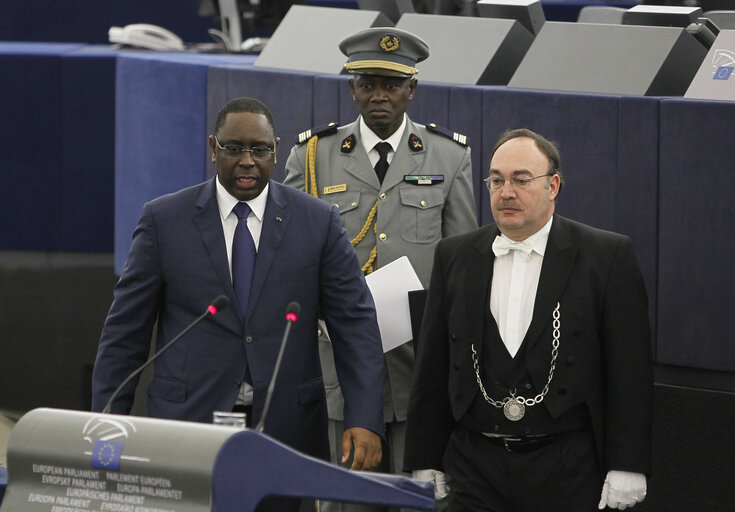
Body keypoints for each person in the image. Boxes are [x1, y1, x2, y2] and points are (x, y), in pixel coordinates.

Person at [92, 97, 385, 512]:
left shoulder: (317, 222)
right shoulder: (164, 220)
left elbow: (355, 326)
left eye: (260, 150)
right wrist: (107, 425)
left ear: (276, 149)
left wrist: (364, 417)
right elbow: (124, 335)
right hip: (187, 428)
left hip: (286, 431)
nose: (247, 161)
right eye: (234, 149)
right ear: (214, 149)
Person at [403, 128, 653, 511]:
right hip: (474, 468)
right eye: (497, 180)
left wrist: (628, 464)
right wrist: (424, 458)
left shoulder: (605, 256)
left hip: (567, 467)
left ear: (553, 186)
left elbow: (629, 371)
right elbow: (433, 365)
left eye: (521, 180)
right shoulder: (454, 255)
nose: (506, 192)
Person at [283, 27, 477, 509]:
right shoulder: (313, 157)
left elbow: (463, 269)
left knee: (421, 500)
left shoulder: (449, 157)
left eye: (391, 85)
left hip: (418, 365)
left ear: (412, 89)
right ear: (351, 87)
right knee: (344, 500)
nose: (379, 95)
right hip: (340, 368)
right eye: (367, 83)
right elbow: (288, 260)